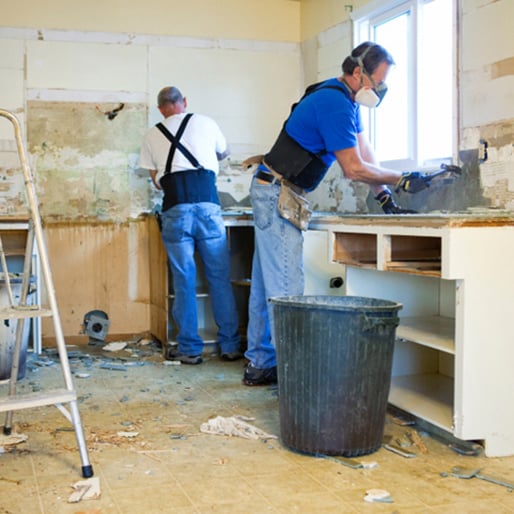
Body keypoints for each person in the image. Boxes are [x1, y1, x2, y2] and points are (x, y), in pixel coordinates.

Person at [243, 42, 432, 385]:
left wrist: (386, 196)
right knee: (287, 289)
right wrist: (402, 177)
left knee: (266, 285)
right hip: (278, 192)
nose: (380, 89)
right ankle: (296, 378)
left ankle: (261, 364)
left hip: (273, 189)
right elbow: (354, 169)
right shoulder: (334, 103)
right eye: (378, 81)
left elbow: (365, 153)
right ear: (358, 73)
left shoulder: (345, 101)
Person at [139, 86, 242, 365]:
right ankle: (230, 346)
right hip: (209, 207)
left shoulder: (151, 135)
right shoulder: (206, 122)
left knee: (184, 281)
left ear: (161, 109)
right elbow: (224, 152)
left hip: (175, 209)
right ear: (184, 102)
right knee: (220, 279)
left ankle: (189, 349)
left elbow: (156, 180)